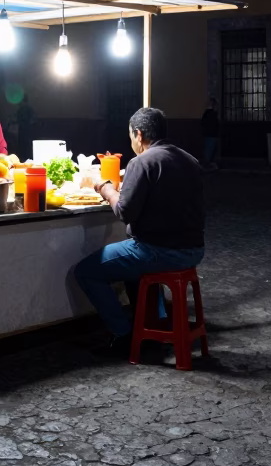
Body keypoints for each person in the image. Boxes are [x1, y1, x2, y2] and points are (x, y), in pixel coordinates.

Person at [75, 107, 205, 358]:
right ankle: (154, 324)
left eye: (131, 137)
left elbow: (125, 211)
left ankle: (123, 333)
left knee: (86, 271)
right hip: (194, 251)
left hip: (158, 251)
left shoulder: (142, 161)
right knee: (135, 269)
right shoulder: (190, 160)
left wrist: (105, 187)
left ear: (139, 134)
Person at [201, 98, 221, 169]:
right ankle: (206, 165)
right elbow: (215, 125)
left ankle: (207, 165)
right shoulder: (212, 114)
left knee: (208, 150)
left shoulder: (207, 113)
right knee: (209, 151)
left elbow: (203, 123)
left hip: (209, 134)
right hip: (212, 135)